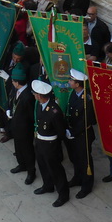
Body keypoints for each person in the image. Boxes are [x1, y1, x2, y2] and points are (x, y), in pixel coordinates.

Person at [31, 79, 69, 207]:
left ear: (40, 96)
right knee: (42, 165)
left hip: (50, 145)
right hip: (40, 141)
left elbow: (61, 132)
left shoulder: (54, 111)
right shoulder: (39, 105)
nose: (34, 95)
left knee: (55, 169)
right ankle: (48, 185)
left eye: (35, 93)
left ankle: (63, 194)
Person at [65, 69, 96, 198]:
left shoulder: (87, 99)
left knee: (84, 160)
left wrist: (73, 131)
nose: (69, 81)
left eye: (71, 80)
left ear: (77, 84)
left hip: (82, 133)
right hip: (72, 132)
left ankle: (87, 185)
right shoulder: (74, 93)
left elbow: (86, 120)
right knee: (75, 158)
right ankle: (77, 177)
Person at [8, 64, 36, 184]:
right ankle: (21, 165)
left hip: (25, 129)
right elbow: (12, 101)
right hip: (16, 126)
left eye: (13, 81)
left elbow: (31, 115)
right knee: (18, 148)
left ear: (17, 82)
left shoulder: (28, 96)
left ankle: (31, 172)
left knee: (27, 150)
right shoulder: (17, 90)